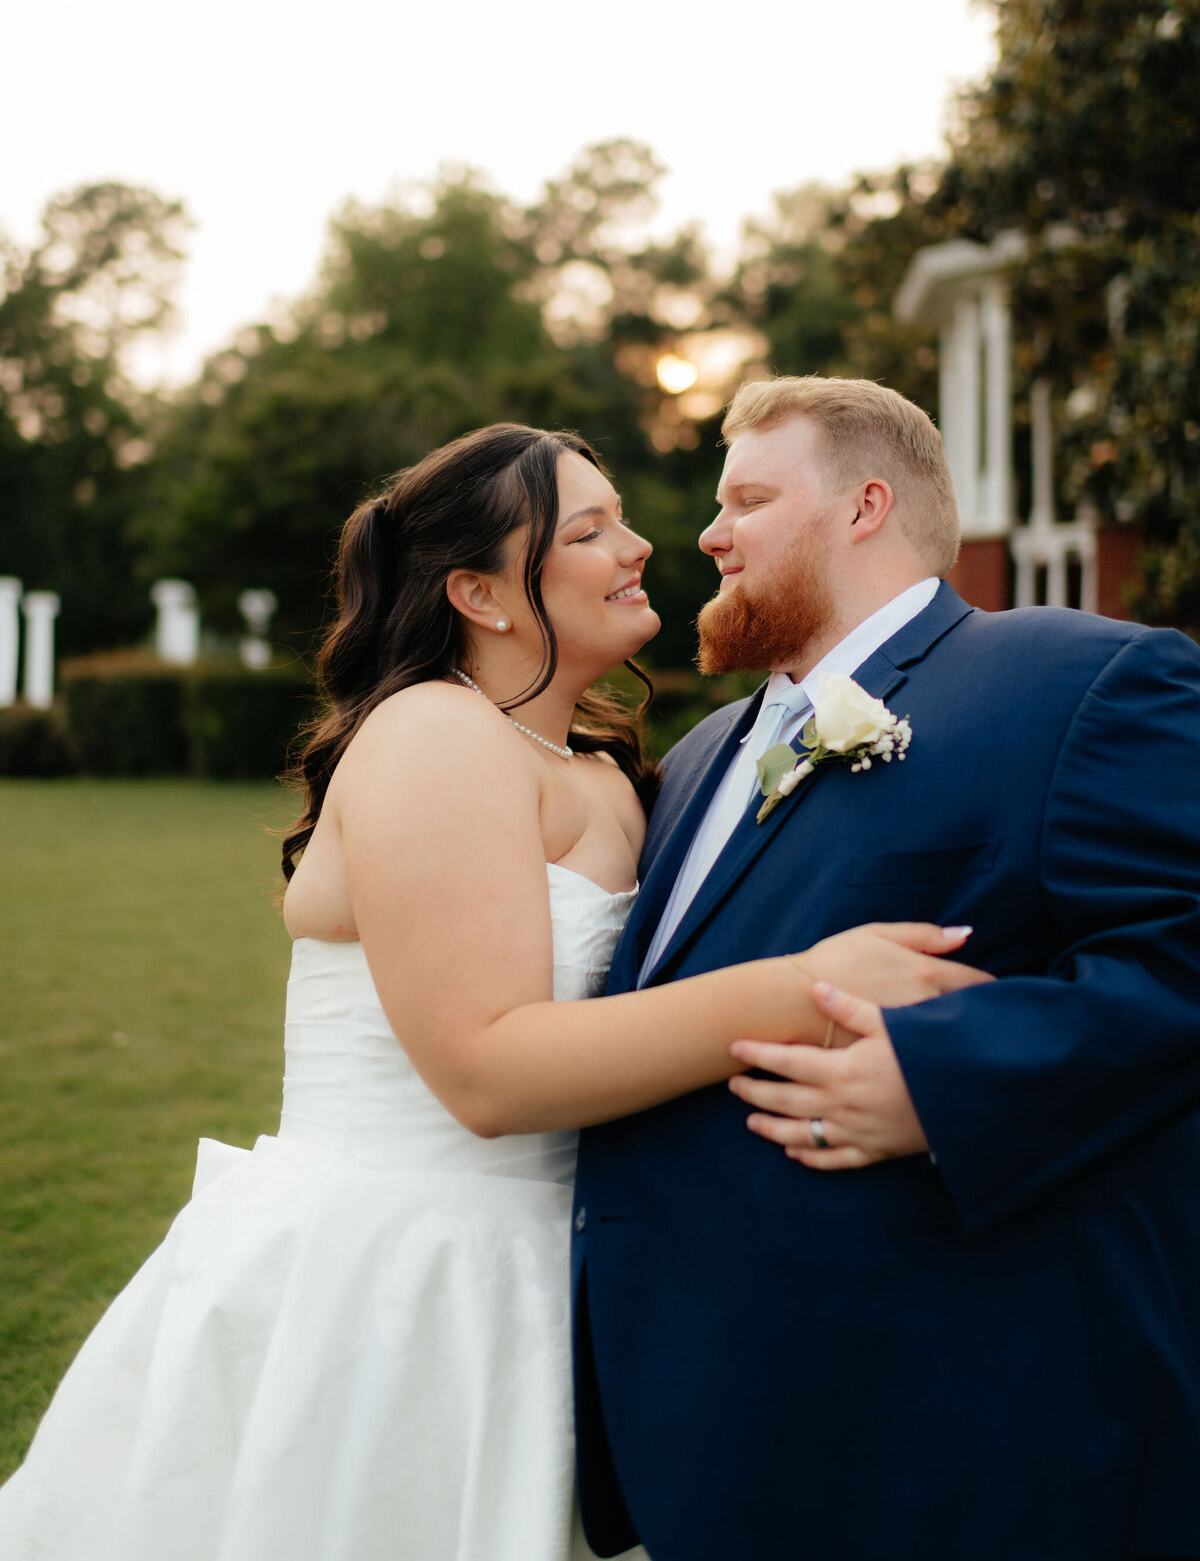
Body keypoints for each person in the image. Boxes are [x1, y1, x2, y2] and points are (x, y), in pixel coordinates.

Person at [0, 422, 985, 1561]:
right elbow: (483, 1071)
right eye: (590, 530)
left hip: (545, 1264)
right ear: (479, 593)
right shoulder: (434, 732)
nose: (639, 547)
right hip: (395, 1275)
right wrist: (808, 986)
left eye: (622, 520)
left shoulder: (611, 773)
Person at [572, 373, 1200, 1561]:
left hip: (961, 1433)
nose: (708, 535)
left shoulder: (1078, 682)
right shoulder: (697, 759)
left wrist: (941, 1078)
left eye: (749, 501)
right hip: (716, 1417)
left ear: (866, 506)